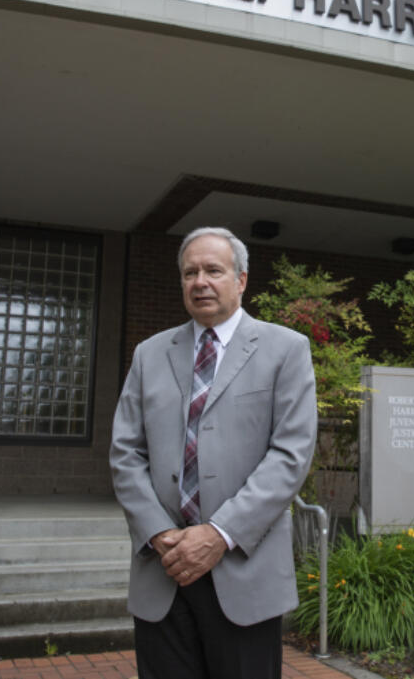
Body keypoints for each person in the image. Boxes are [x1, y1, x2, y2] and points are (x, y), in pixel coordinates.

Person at [109, 226, 318, 679]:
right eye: (190, 272)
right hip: (162, 569)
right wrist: (158, 531)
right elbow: (125, 452)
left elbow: (290, 455)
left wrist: (219, 534)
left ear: (241, 280)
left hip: (243, 570)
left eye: (213, 270)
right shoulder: (149, 354)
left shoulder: (286, 350)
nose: (199, 281)